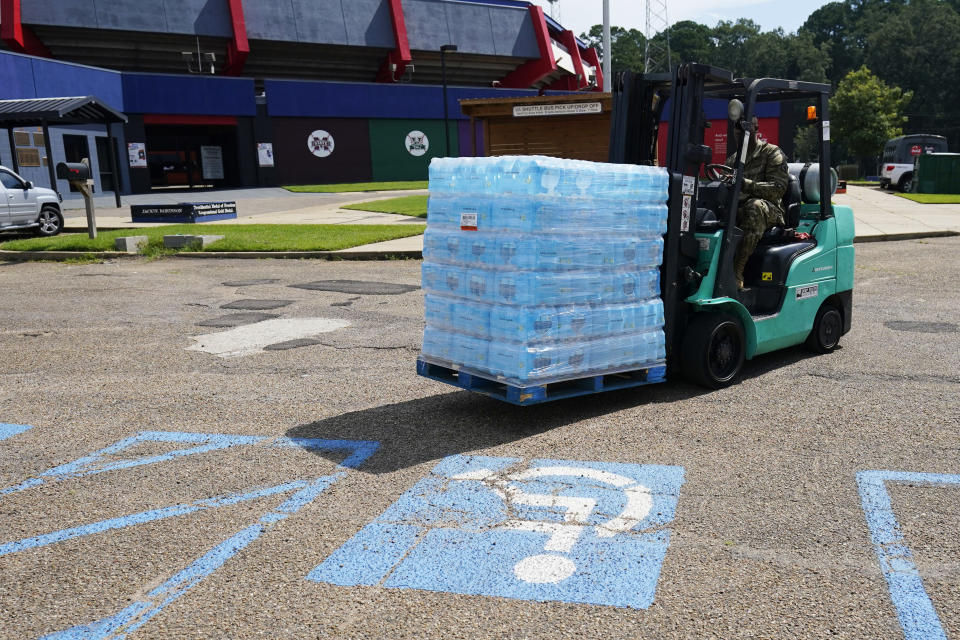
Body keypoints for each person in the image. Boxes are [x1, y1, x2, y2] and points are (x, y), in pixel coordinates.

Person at [725, 116, 790, 289]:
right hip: (739, 208)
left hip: (770, 210)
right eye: (737, 129)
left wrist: (745, 183)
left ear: (756, 129)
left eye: (745, 129)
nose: (740, 134)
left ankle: (737, 269)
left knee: (754, 207)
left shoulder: (771, 153)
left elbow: (778, 188)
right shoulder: (733, 160)